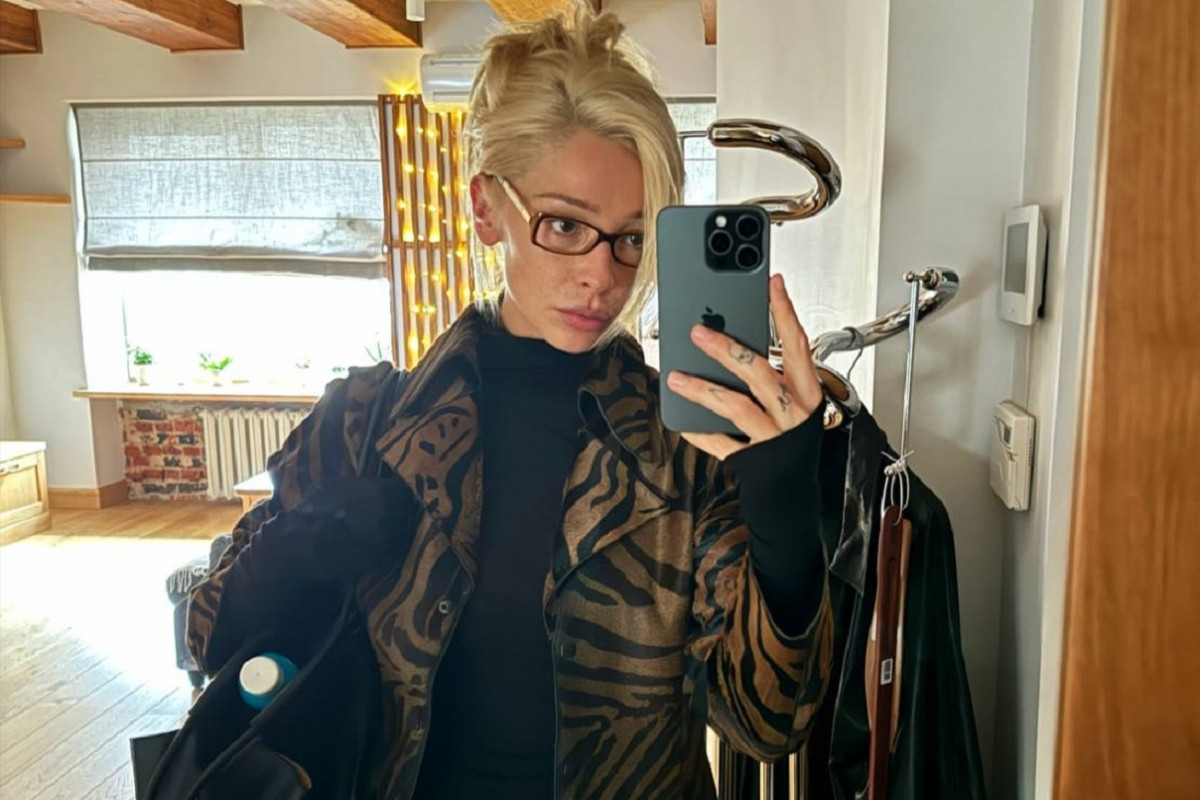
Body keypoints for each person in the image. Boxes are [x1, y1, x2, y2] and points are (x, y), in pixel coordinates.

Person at [187, 4, 833, 799]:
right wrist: (294, 549)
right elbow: (207, 638)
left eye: (632, 237)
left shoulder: (687, 451)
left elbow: (769, 725)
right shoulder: (365, 425)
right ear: (488, 208)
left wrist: (786, 518)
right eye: (565, 225)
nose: (602, 275)